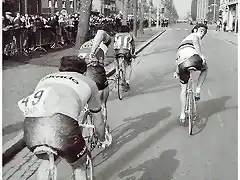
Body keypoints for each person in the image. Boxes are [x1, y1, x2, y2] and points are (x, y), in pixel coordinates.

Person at [18, 56, 111, 180]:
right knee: (79, 165)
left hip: (31, 126)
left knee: (46, 161)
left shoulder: (45, 78)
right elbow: (98, 121)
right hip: (63, 125)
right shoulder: (89, 83)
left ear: (60, 69)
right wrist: (103, 139)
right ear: (84, 72)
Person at [174, 23, 208, 123]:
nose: (202, 34)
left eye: (204, 33)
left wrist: (176, 71)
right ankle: (197, 89)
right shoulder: (194, 36)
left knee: (183, 89)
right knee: (205, 69)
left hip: (181, 63)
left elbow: (177, 58)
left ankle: (182, 114)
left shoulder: (182, 42)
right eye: (201, 31)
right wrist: (201, 55)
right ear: (195, 30)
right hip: (193, 59)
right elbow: (195, 42)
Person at [78, 28, 112, 122]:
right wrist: (93, 52)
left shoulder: (82, 46)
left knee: (86, 104)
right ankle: (103, 127)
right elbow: (101, 32)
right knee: (102, 104)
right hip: (96, 73)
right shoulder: (102, 44)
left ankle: (87, 125)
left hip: (81, 75)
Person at [113, 24, 136, 90]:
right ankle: (127, 82)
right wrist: (133, 53)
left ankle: (117, 72)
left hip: (117, 51)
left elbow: (114, 44)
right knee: (128, 66)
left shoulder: (116, 35)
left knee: (115, 59)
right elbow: (133, 46)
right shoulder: (129, 35)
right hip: (126, 52)